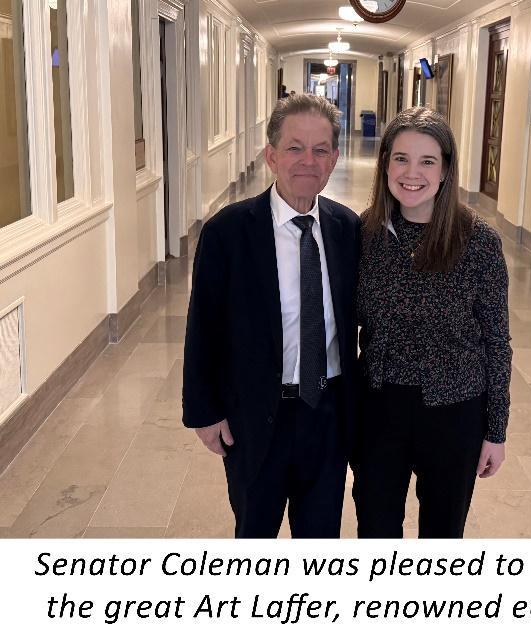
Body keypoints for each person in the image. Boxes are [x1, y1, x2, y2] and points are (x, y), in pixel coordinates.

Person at [182, 94, 361, 538]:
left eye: (320, 150)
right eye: (295, 147)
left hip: (327, 414)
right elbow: (203, 327)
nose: (308, 161)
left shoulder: (348, 229)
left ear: (334, 159)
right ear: (271, 156)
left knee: (320, 537)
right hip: (255, 416)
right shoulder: (228, 232)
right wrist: (204, 412)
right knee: (255, 531)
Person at [353, 107, 512, 538]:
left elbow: (497, 341)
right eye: (401, 158)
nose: (412, 173)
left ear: (445, 170)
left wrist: (496, 431)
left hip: (454, 411)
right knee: (375, 529)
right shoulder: (365, 234)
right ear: (385, 164)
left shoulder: (477, 241)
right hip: (379, 407)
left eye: (427, 161)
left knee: (442, 534)